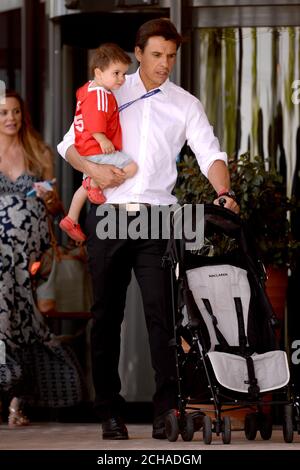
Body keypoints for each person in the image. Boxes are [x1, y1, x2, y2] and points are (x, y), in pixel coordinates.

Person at [57, 18, 239, 440]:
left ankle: (166, 411)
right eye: (156, 55)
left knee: (165, 319)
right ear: (138, 53)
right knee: (106, 317)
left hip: (159, 216)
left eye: (171, 56)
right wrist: (93, 171)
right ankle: (109, 412)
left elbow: (210, 152)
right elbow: (70, 142)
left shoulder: (185, 104)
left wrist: (224, 190)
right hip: (109, 215)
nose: (164, 64)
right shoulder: (110, 91)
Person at [0, 90, 84, 427]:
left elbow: (56, 209)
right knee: (15, 311)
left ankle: (15, 396)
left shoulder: (39, 151)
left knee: (14, 302)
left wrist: (49, 199)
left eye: (16, 112)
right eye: (4, 112)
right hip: (3, 255)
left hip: (30, 250)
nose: (11, 119)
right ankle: (14, 398)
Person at [59, 43, 138, 242]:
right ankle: (96, 183)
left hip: (84, 148)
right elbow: (95, 120)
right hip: (95, 148)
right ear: (99, 72)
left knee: (83, 187)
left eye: (124, 74)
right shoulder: (101, 95)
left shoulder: (88, 90)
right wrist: (102, 139)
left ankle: (71, 218)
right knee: (131, 167)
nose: (122, 79)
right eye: (116, 73)